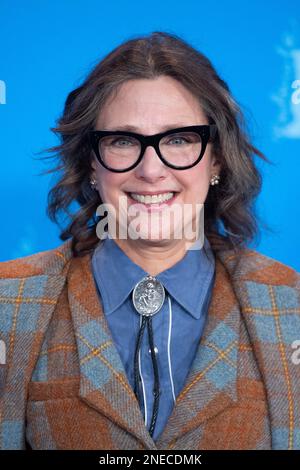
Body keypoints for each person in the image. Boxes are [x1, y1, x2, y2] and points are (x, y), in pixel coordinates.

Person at [0, 31, 299, 451]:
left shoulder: (290, 303)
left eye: (178, 140)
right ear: (91, 162)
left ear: (216, 158)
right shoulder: (7, 301)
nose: (151, 170)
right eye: (123, 141)